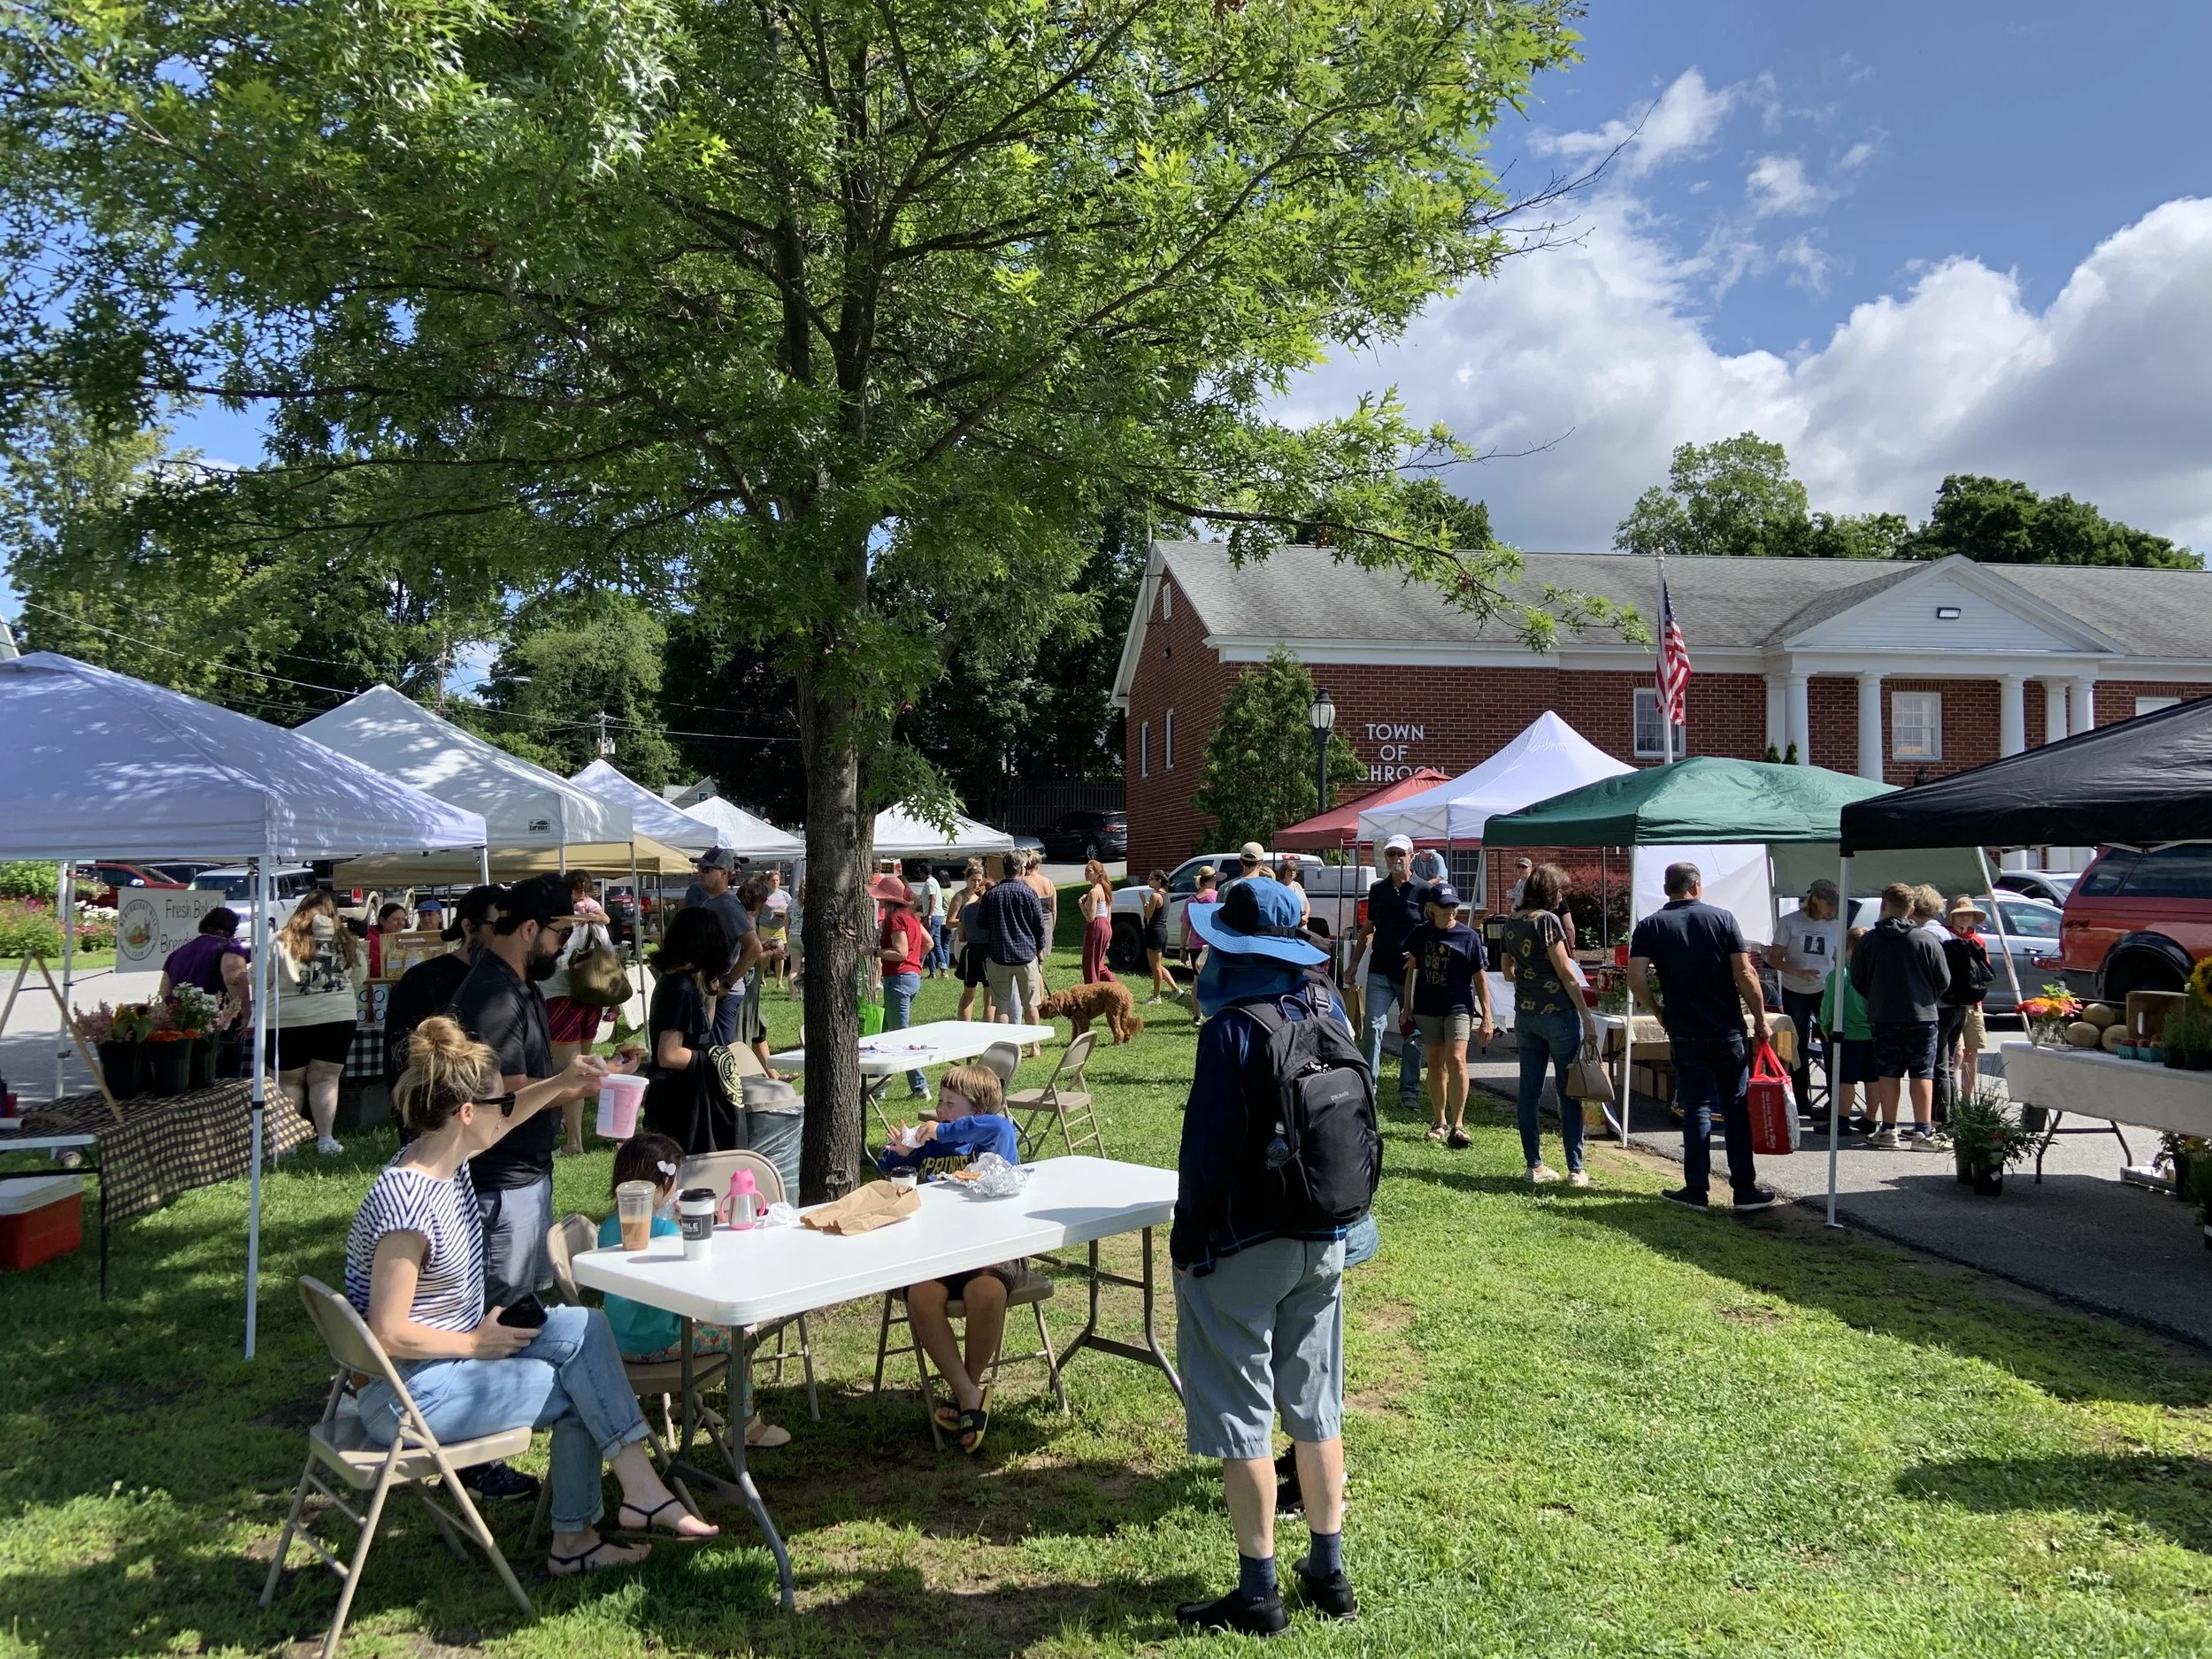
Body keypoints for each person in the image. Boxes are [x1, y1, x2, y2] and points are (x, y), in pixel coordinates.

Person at [349, 1016, 713, 1578]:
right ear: (467, 1113)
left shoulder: (443, 1156)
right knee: (577, 1384)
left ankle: (633, 1495)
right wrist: (474, 1341)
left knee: (589, 1328)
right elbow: (386, 1333)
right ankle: (581, 1536)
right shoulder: (410, 1204)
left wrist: (567, 1081)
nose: (509, 1111)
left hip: (447, 1361)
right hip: (410, 1392)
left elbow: (510, 1111)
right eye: (500, 1103)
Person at [1171, 878, 1359, 1633]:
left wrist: (1190, 1243)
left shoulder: (1231, 1027)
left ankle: (1259, 1591)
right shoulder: (1328, 1004)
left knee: (1241, 1410)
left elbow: (1207, 1153)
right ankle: (1329, 1568)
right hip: (1325, 1231)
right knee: (1317, 1402)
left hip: (1247, 1239)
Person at [448, 873, 596, 1327]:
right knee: (504, 1318)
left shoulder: (524, 986)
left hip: (526, 1172)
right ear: (530, 930)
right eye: (562, 934)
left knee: (528, 1310)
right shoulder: (493, 994)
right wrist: (576, 1087)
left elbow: (535, 1074)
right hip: (499, 1181)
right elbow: (505, 1093)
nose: (565, 947)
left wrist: (592, 1075)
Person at [593, 1132, 787, 1448]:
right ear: (658, 1187)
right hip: (657, 1341)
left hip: (618, 1342)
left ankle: (686, 1405)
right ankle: (746, 1424)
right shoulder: (667, 1232)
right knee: (742, 1340)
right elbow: (696, 1282)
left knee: (690, 1323)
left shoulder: (609, 1227)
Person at [876, 1064, 1022, 1453]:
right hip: (934, 1249)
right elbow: (892, 1177)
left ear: (977, 1113)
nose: (939, 1112)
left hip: (990, 1246)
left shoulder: (994, 1138)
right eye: (939, 1103)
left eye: (950, 1105)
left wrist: (943, 1131)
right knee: (922, 1297)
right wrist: (897, 1155)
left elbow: (998, 1127)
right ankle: (970, 1395)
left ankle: (964, 1392)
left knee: (988, 1293)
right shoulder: (928, 1148)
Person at [1627, 863, 1780, 1213]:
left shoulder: (1650, 925)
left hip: (1684, 1027)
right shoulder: (1722, 918)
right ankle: (1744, 1190)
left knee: (1695, 1108)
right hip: (1726, 1027)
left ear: (1667, 890)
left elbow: (1635, 977)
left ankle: (1696, 1189)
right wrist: (1760, 1019)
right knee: (1736, 1107)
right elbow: (1745, 972)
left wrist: (1657, 1009)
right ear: (1696, 886)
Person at [1502, 863, 1600, 1187]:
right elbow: (1566, 972)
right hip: (1557, 1013)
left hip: (1526, 1015)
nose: (1561, 897)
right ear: (1549, 892)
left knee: (1528, 1092)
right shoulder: (1548, 921)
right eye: (1559, 891)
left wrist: (1529, 978)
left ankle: (1535, 1165)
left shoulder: (1512, 921)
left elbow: (1506, 971)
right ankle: (1575, 1168)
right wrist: (1587, 1017)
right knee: (1568, 1091)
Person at [1848, 882, 1954, 1151]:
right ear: (1911, 909)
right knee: (1922, 1073)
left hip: (1883, 1014)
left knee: (1888, 1072)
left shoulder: (1869, 940)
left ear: (1883, 906)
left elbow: (1858, 980)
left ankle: (1888, 1129)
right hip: (1921, 1014)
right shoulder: (1926, 939)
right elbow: (1943, 980)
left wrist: (1878, 996)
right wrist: (1924, 996)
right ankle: (1923, 1132)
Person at [270, 888, 368, 1156]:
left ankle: (287, 1143)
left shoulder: (280, 939)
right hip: (336, 1016)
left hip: (289, 1018)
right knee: (325, 1079)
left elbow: (261, 978)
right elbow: (359, 976)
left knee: (287, 1081)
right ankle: (325, 1139)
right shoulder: (346, 939)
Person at [385, 885, 503, 1095]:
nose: (507, 937)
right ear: (468, 927)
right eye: (499, 927)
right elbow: (400, 1060)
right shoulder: (422, 980)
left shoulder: (516, 983)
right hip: (443, 1111)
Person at [640, 904, 739, 1154]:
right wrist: (714, 1061)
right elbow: (669, 1054)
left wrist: (711, 989)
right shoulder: (679, 989)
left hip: (679, 1097)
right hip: (677, 1102)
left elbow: (703, 1029)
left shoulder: (682, 984)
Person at [1402, 882, 1493, 1150]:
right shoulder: (1421, 934)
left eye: (1453, 905)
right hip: (1428, 1007)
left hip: (1458, 1007)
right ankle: (1439, 1121)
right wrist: (1406, 1007)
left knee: (1457, 1059)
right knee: (1435, 1063)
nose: (1450, 911)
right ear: (1431, 908)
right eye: (1444, 906)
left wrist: (1487, 1015)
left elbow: (1480, 977)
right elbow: (1411, 971)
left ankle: (1459, 1124)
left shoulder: (1469, 937)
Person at [1348, 833, 1429, 1115]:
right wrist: (1354, 963)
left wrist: (1421, 958)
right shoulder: (1378, 890)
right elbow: (1367, 929)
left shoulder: (1424, 891)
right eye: (1390, 854)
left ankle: (1409, 1090)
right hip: (1380, 970)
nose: (1395, 858)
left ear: (1412, 855)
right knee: (1372, 1026)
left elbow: (1433, 932)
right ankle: (1368, 1089)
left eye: (1400, 854)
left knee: (1413, 1034)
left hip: (1411, 975)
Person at [543, 872, 617, 1156]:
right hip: (592, 995)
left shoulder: (561, 918)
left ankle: (574, 1142)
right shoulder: (592, 913)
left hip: (561, 996)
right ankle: (602, 1130)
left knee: (570, 1072)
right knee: (585, 1068)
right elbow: (609, 950)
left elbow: (554, 960)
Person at [1769, 879, 1841, 1118]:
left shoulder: (1836, 924)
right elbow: (1774, 957)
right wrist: (1798, 972)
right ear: (1816, 899)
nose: (1832, 909)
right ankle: (1800, 1099)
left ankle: (1835, 1101)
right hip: (1794, 988)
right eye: (1829, 904)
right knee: (1795, 1044)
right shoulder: (1790, 922)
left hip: (1825, 989)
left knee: (1831, 1042)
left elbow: (1838, 957)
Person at [683, 849, 762, 1048]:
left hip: (723, 994)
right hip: (708, 989)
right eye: (699, 867)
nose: (701, 872)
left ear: (724, 873)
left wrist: (727, 984)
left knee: (717, 1055)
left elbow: (754, 947)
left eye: (707, 869)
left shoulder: (727, 904)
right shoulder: (709, 902)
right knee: (705, 1052)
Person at [872, 874, 933, 1102]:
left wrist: (873, 952)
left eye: (880, 898)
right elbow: (929, 943)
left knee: (900, 1035)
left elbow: (900, 952)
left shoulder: (896, 918)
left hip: (898, 979)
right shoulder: (911, 916)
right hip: (912, 978)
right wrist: (916, 964)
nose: (878, 902)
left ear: (887, 899)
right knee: (887, 1033)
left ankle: (920, 1086)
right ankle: (879, 1086)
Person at [979, 858, 1048, 1038]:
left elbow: (981, 922)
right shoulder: (1029, 893)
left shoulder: (991, 894)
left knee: (1001, 1005)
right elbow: (1040, 926)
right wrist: (1040, 949)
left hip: (999, 956)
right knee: (1031, 1005)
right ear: (1022, 869)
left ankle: (1004, 1042)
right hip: (1026, 956)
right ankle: (1034, 1046)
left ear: (1004, 869)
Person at [1940, 896, 1993, 1117]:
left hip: (1973, 1003)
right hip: (1951, 1002)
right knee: (1957, 1052)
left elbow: (1985, 971)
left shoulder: (1978, 941)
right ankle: (1949, 1099)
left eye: (1968, 914)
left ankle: (1967, 1102)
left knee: (1973, 1050)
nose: (1964, 917)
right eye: (1960, 913)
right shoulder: (1944, 937)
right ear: (1951, 916)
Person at [1823, 926, 1874, 1134]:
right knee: (1873, 1078)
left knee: (1845, 1078)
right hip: (1874, 1033)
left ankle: (1842, 1119)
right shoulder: (1876, 972)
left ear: (1848, 947)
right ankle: (1871, 1118)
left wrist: (1825, 1023)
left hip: (1847, 1033)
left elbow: (1829, 1004)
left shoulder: (1841, 973)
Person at [952, 864, 991, 1022]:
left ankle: (963, 1027)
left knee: (968, 994)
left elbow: (961, 937)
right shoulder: (991, 911)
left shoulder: (967, 910)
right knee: (989, 997)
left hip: (970, 953)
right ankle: (988, 1028)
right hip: (988, 953)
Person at [1141, 868, 1176, 1003]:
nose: (1148, 880)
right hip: (1162, 931)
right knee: (1158, 964)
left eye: (1151, 878)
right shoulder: (1166, 895)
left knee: (1155, 967)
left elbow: (1148, 915)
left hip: (1154, 931)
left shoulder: (1155, 896)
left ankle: (1156, 996)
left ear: (1158, 881)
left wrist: (1144, 901)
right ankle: (1175, 990)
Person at [1079, 859, 1115, 984]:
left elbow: (1090, 917)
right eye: (1085, 871)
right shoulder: (1105, 888)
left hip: (1097, 926)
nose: (1086, 873)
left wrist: (1081, 904)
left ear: (1098, 873)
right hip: (1105, 925)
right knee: (1099, 964)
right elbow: (1109, 913)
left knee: (1090, 964)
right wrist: (1108, 934)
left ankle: (1092, 992)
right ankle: (1115, 987)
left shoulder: (1094, 892)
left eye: (1089, 871)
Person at [759, 870, 793, 991]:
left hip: (780, 928)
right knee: (765, 954)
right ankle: (761, 977)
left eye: (777, 880)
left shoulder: (785, 895)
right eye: (773, 880)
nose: (775, 882)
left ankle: (779, 982)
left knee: (780, 955)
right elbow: (757, 911)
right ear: (768, 881)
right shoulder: (763, 895)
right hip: (765, 927)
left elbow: (791, 909)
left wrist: (784, 913)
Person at [1184, 867, 1220, 976]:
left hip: (1195, 946)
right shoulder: (1219, 897)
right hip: (1214, 944)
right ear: (1211, 880)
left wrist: (1182, 948)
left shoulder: (1191, 900)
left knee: (1197, 978)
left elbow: (1185, 926)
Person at [917, 864, 949, 978]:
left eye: (920, 873)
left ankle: (918, 967)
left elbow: (933, 899)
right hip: (937, 915)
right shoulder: (934, 881)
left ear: (923, 872)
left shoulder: (930, 882)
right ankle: (936, 970)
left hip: (933, 916)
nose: (920, 875)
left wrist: (929, 916)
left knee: (926, 942)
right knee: (936, 944)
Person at [367, 901, 411, 979]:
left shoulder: (392, 938)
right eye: (396, 919)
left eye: (403, 919)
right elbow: (378, 970)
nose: (401, 923)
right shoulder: (373, 941)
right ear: (382, 921)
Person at [1276, 862, 1311, 926]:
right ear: (1284, 871)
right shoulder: (1278, 886)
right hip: (1287, 924)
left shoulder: (1297, 885)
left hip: (1302, 923)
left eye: (1294, 870)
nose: (1292, 872)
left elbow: (1306, 903)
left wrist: (1306, 916)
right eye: (1290, 870)